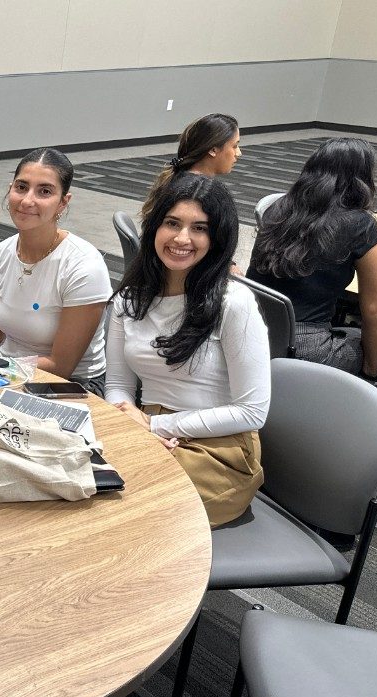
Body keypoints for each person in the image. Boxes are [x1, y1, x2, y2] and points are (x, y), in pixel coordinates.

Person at [107, 174, 271, 527]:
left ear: (218, 238)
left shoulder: (234, 302)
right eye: (172, 223)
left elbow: (252, 411)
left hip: (217, 449)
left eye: (199, 228)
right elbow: (118, 385)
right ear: (155, 227)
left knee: (114, 503)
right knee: (71, 471)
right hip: (147, 432)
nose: (182, 238)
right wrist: (131, 423)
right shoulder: (129, 300)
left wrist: (156, 426)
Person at [0, 148, 111, 394]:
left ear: (63, 202)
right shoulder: (0, 254)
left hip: (71, 384)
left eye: (44, 191)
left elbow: (60, 366)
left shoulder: (84, 266)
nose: (27, 201)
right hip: (6, 369)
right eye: (21, 187)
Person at [247, 137, 377, 379]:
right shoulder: (360, 225)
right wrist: (370, 373)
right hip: (304, 348)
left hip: (251, 330)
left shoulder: (278, 208)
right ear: (362, 178)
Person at [140, 113, 242, 220]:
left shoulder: (175, 181)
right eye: (235, 146)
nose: (239, 153)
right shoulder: (202, 197)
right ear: (213, 150)